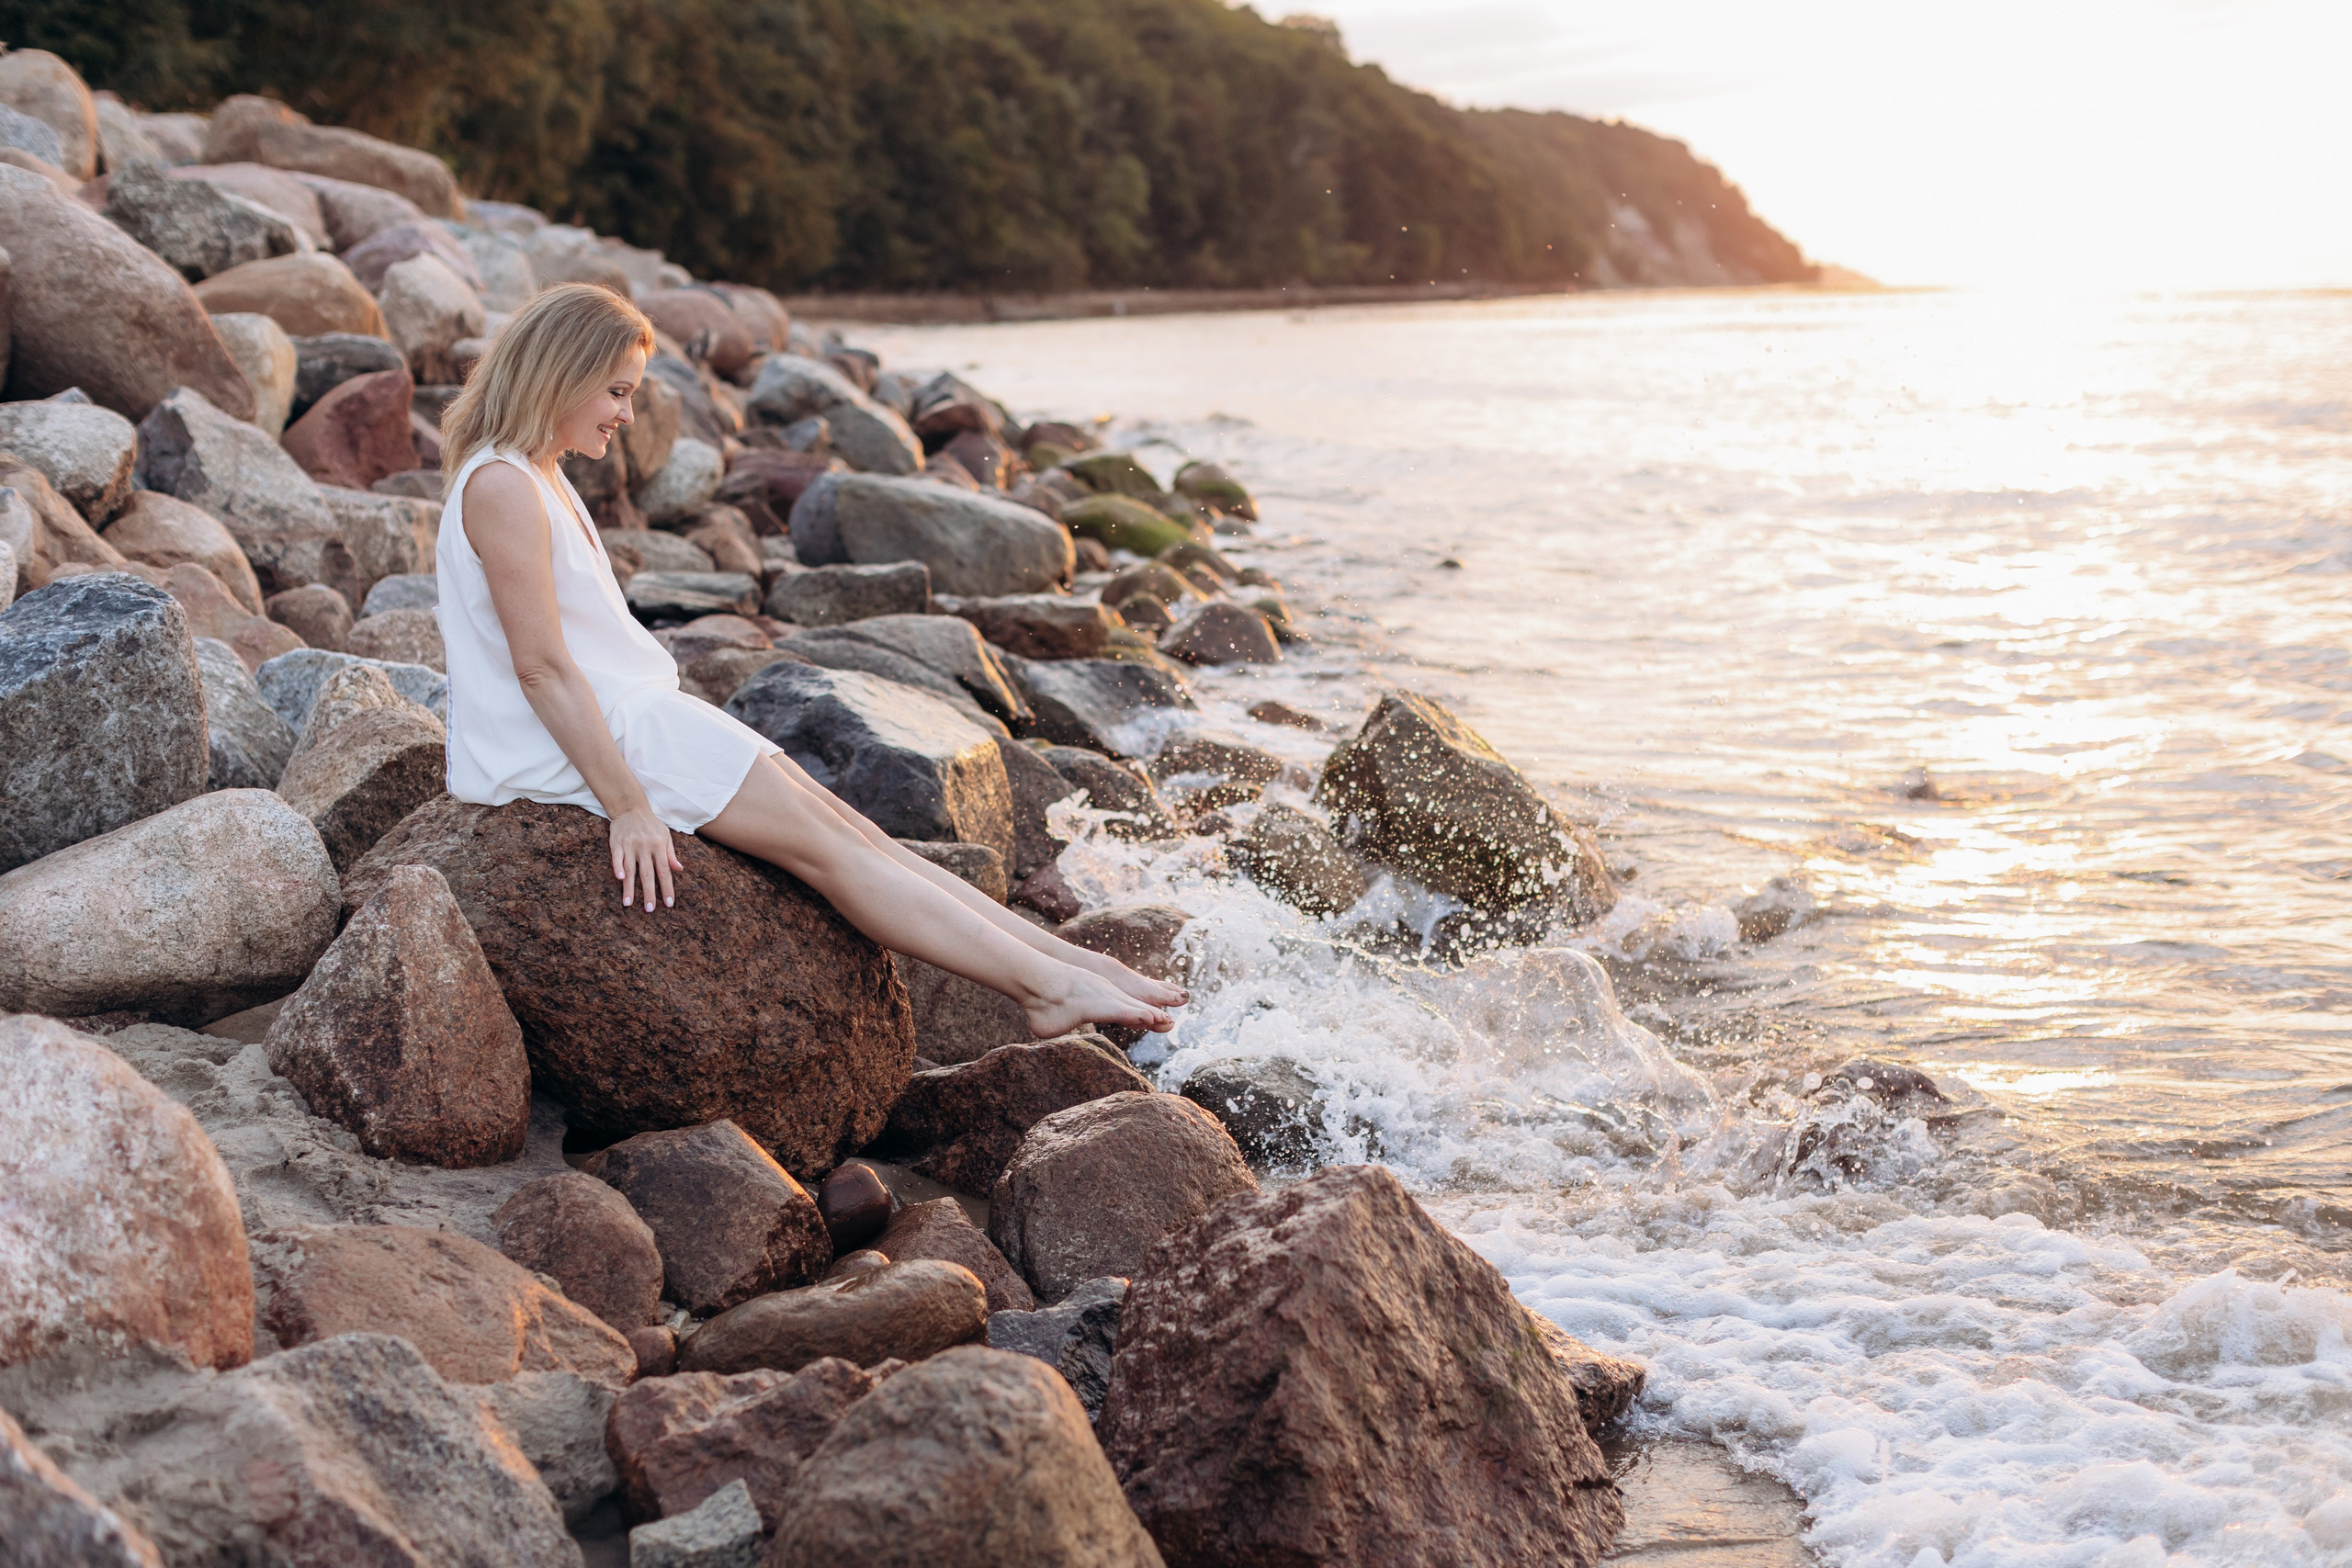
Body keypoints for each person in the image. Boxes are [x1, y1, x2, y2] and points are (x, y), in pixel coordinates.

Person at [434, 283, 1182, 1038]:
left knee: (865, 838)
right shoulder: (503, 485)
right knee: (832, 852)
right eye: (617, 392)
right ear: (561, 375)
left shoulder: (535, 472)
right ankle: (1046, 989)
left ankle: (1073, 964)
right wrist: (628, 806)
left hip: (633, 717)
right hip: (598, 738)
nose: (627, 416)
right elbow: (541, 667)